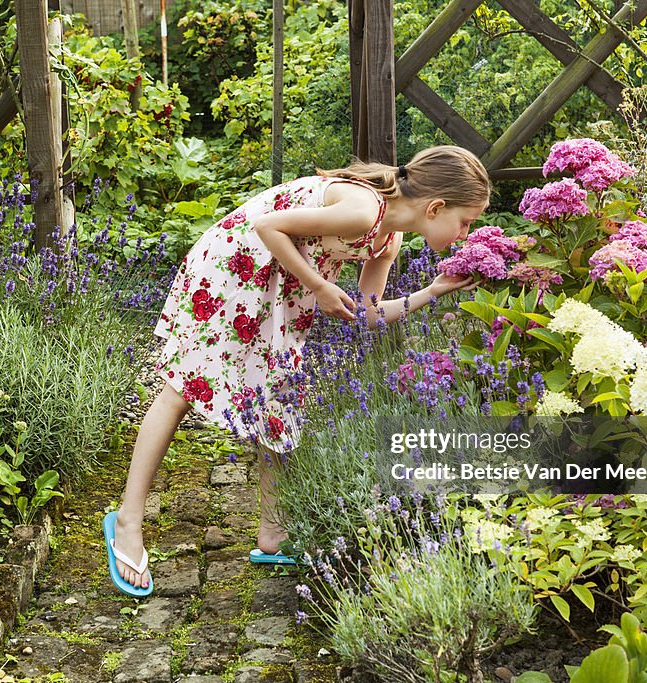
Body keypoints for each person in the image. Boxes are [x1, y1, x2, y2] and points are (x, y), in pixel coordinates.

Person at [103, 145, 491, 596]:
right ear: (436, 206)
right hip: (236, 267)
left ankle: (273, 535)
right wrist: (320, 285)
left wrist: (433, 290)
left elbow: (366, 315)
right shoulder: (364, 210)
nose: (466, 234)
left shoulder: (388, 238)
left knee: (279, 402)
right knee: (183, 387)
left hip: (284, 285)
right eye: (466, 221)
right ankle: (128, 521)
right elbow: (267, 225)